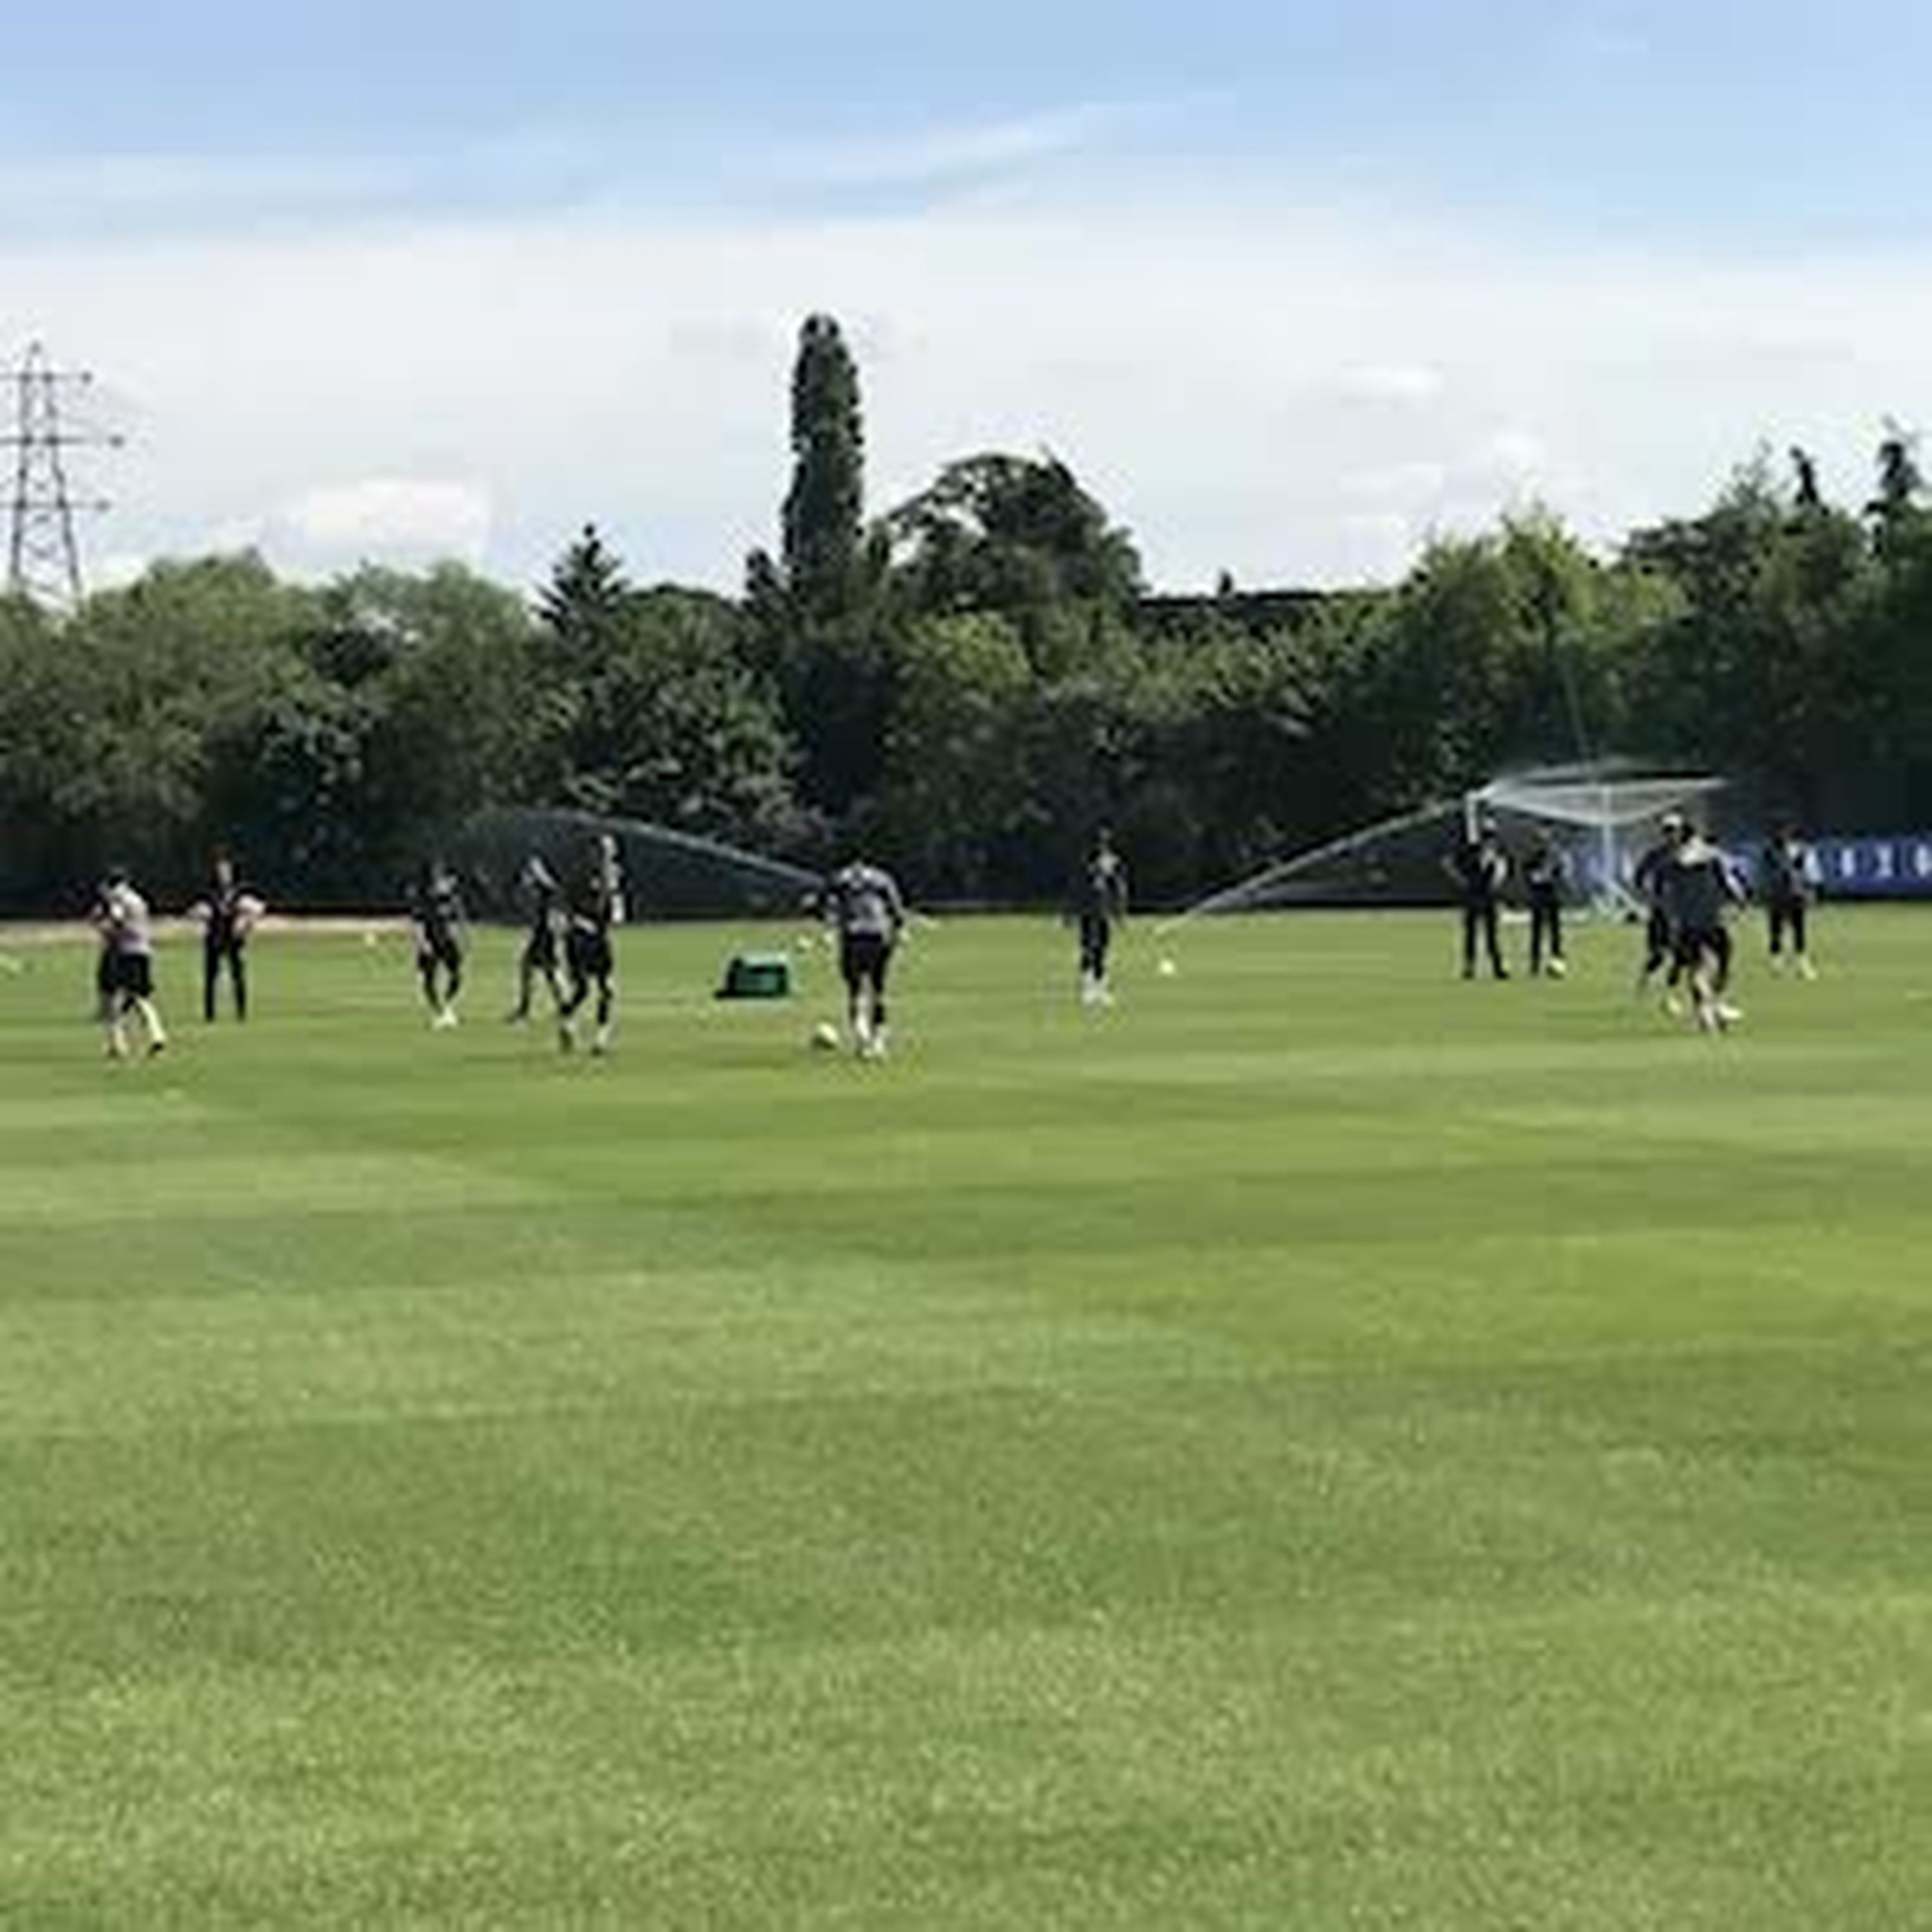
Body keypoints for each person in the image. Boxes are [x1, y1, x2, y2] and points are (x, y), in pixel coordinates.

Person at [817, 853, 908, 1059]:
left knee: (856, 990)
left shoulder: (839, 878)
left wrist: (828, 928)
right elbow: (896, 908)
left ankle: (863, 1040)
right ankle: (879, 1041)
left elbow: (824, 906)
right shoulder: (882, 878)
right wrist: (900, 928)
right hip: (880, 936)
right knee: (878, 989)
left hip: (854, 936)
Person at [1660, 820, 1747, 1032]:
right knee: (1722, 957)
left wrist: (1671, 918)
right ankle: (1716, 1002)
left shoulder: (1671, 862)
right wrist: (1738, 902)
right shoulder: (1711, 857)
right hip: (1710, 918)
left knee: (1695, 966)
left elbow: (1665, 893)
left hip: (1687, 922)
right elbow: (1726, 883)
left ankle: (1704, 1012)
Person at [558, 834, 623, 1055]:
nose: (609, 855)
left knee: (608, 988)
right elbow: (566, 906)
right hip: (579, 938)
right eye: (605, 851)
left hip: (600, 938)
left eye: (611, 851)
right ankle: (567, 1019)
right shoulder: (581, 874)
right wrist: (578, 923)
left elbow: (614, 903)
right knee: (583, 989)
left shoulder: (613, 875)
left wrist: (616, 912)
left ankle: (601, 1039)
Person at [93, 865, 168, 1059]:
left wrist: (102, 924)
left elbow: (116, 921)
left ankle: (118, 1045)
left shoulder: (118, 900)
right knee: (141, 996)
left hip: (125, 952)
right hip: (144, 950)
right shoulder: (138, 899)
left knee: (116, 1000)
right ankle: (156, 1033)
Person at [194, 853, 263, 1022]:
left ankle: (241, 1012)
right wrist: (201, 915)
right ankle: (209, 1014)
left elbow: (258, 908)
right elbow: (199, 910)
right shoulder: (210, 892)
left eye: (226, 872)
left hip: (233, 939)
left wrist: (247, 925)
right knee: (211, 977)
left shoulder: (240, 892)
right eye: (220, 872)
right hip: (214, 937)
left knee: (238, 976)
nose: (223, 876)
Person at [1631, 811, 1686, 1007]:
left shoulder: (1688, 853)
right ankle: (1645, 981)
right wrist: (1647, 895)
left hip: (1683, 912)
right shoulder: (1655, 855)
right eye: (1668, 831)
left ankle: (1671, 993)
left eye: (1674, 830)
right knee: (1659, 955)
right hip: (1661, 911)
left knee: (1682, 955)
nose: (1671, 835)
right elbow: (1639, 876)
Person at [1444, 820, 1509, 980]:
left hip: (1489, 897)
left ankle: (1497, 967)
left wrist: (1498, 884)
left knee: (1491, 935)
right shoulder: (1472, 850)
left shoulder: (1499, 853)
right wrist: (1461, 880)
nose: (1490, 840)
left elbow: (1502, 873)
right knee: (1471, 933)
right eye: (1487, 836)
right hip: (1473, 896)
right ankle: (1470, 967)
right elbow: (1448, 862)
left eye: (1492, 836)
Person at [1073, 828, 1130, 1008]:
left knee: (1102, 951)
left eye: (1106, 842)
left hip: (1103, 911)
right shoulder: (1087, 860)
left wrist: (1120, 912)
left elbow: (1119, 886)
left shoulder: (1113, 861)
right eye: (1100, 841)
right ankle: (1087, 989)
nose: (1103, 845)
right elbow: (1080, 885)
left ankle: (1102, 990)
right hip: (1088, 911)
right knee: (1087, 949)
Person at [409, 857, 466, 1029]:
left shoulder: (450, 899)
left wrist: (459, 937)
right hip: (430, 941)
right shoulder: (423, 898)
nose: (442, 882)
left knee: (457, 976)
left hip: (447, 941)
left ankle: (448, 1005)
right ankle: (439, 1011)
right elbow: (417, 923)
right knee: (429, 980)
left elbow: (457, 920)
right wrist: (423, 943)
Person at [507, 852, 564, 1024]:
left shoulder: (546, 886)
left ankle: (526, 1011)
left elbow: (552, 903)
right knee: (541, 971)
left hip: (545, 934)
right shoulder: (543, 887)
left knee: (545, 971)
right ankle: (560, 1006)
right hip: (542, 932)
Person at [1758, 822, 1819, 979]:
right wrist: (1766, 892)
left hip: (1795, 895)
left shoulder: (1800, 850)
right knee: (1776, 930)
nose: (1784, 836)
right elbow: (1765, 873)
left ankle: (1801, 964)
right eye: (1781, 833)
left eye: (1787, 833)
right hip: (1778, 895)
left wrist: (1809, 891)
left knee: (1799, 930)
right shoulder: (1770, 852)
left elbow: (1807, 872)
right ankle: (1777, 964)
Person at [1521, 834, 1567, 978]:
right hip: (1538, 896)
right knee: (1537, 931)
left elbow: (1560, 872)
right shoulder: (1533, 857)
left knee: (1555, 930)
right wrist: (1534, 879)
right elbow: (1526, 872)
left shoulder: (1555, 856)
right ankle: (1535, 964)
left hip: (1552, 895)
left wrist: (1553, 877)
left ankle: (1557, 959)